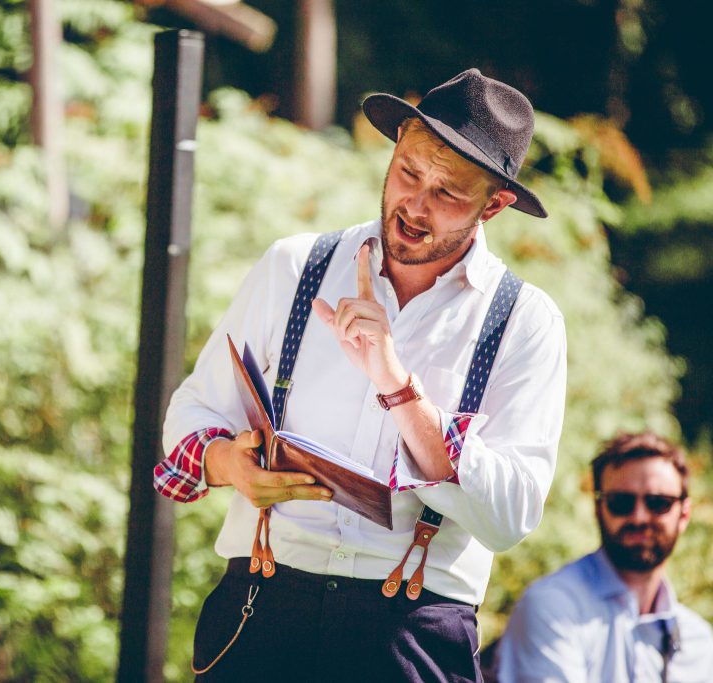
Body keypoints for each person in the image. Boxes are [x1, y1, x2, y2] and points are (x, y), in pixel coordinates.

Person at [155, 68, 567, 681]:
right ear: (396, 143)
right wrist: (231, 466)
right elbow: (192, 413)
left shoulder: (524, 321)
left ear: (496, 204)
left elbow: (510, 515)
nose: (415, 205)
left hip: (412, 632)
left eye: (448, 192)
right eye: (408, 172)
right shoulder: (295, 266)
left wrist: (398, 387)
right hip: (263, 606)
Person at [496, 433, 713, 682]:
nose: (639, 517)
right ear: (598, 508)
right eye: (621, 502)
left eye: (658, 503)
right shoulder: (554, 607)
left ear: (684, 515)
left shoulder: (698, 643)